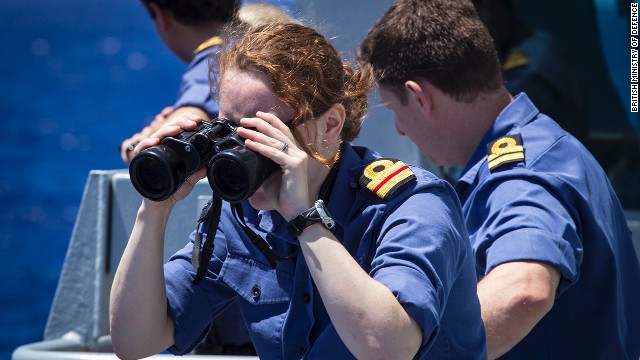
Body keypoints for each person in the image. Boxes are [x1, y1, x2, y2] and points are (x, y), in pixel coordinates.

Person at [110, 22, 486, 359]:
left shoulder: (412, 206)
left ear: (330, 125)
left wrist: (305, 219)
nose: (243, 151)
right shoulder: (244, 217)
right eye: (229, 130)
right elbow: (136, 341)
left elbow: (388, 348)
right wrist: (155, 207)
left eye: (263, 131)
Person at [357, 0, 640, 359]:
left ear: (419, 97)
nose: (399, 128)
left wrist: (428, 354)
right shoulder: (543, 147)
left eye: (396, 109)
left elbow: (525, 289)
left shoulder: (519, 176)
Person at [118, 0, 240, 164]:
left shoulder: (215, 60)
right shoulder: (256, 44)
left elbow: (191, 119)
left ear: (161, 16)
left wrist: (135, 147)